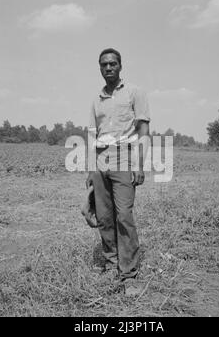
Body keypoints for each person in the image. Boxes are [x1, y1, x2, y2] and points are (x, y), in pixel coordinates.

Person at [86, 48, 150, 288]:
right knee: (104, 216)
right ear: (100, 68)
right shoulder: (96, 99)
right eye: (104, 64)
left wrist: (139, 164)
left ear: (121, 66)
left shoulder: (135, 93)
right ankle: (112, 261)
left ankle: (129, 273)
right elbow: (93, 135)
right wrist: (91, 170)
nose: (109, 68)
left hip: (124, 157)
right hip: (101, 159)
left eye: (113, 63)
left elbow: (143, 130)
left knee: (124, 215)